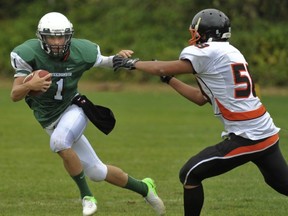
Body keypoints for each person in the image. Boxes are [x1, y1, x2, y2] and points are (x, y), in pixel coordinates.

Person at [112, 8, 288, 216]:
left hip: (248, 136)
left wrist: (133, 64)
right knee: (281, 183)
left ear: (205, 32)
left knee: (190, 174)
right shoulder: (230, 52)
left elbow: (162, 68)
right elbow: (200, 98)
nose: (193, 36)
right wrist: (169, 80)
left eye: (196, 31)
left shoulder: (208, 51)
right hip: (263, 131)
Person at [10, 12, 165, 216]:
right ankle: (145, 188)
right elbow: (15, 94)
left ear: (69, 36)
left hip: (72, 109)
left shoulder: (82, 51)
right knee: (97, 172)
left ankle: (87, 196)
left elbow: (105, 61)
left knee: (59, 142)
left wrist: (120, 59)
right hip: (48, 119)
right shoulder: (27, 53)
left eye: (61, 36)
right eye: (51, 37)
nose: (57, 42)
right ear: (41, 37)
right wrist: (30, 84)